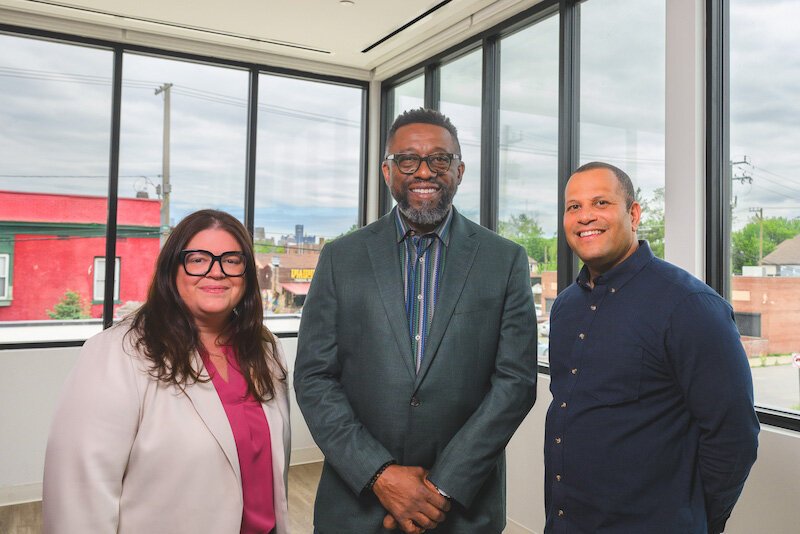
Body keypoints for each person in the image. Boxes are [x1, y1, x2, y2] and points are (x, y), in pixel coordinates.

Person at [294, 108, 538, 534]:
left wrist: (440, 488)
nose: (424, 171)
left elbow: (515, 384)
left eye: (439, 160)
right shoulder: (340, 258)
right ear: (388, 171)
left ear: (459, 171)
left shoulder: (505, 260)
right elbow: (315, 377)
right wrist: (380, 475)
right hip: (357, 505)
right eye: (408, 160)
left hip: (462, 509)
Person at [43, 209, 291, 534]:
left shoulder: (264, 348)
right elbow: (79, 495)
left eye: (231, 260)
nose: (216, 272)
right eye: (198, 259)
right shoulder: (117, 353)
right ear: (171, 269)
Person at [544, 162, 759, 533]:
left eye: (600, 202)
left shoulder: (689, 306)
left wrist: (697, 519)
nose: (585, 217)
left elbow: (734, 437)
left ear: (634, 213)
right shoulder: (565, 307)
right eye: (573, 207)